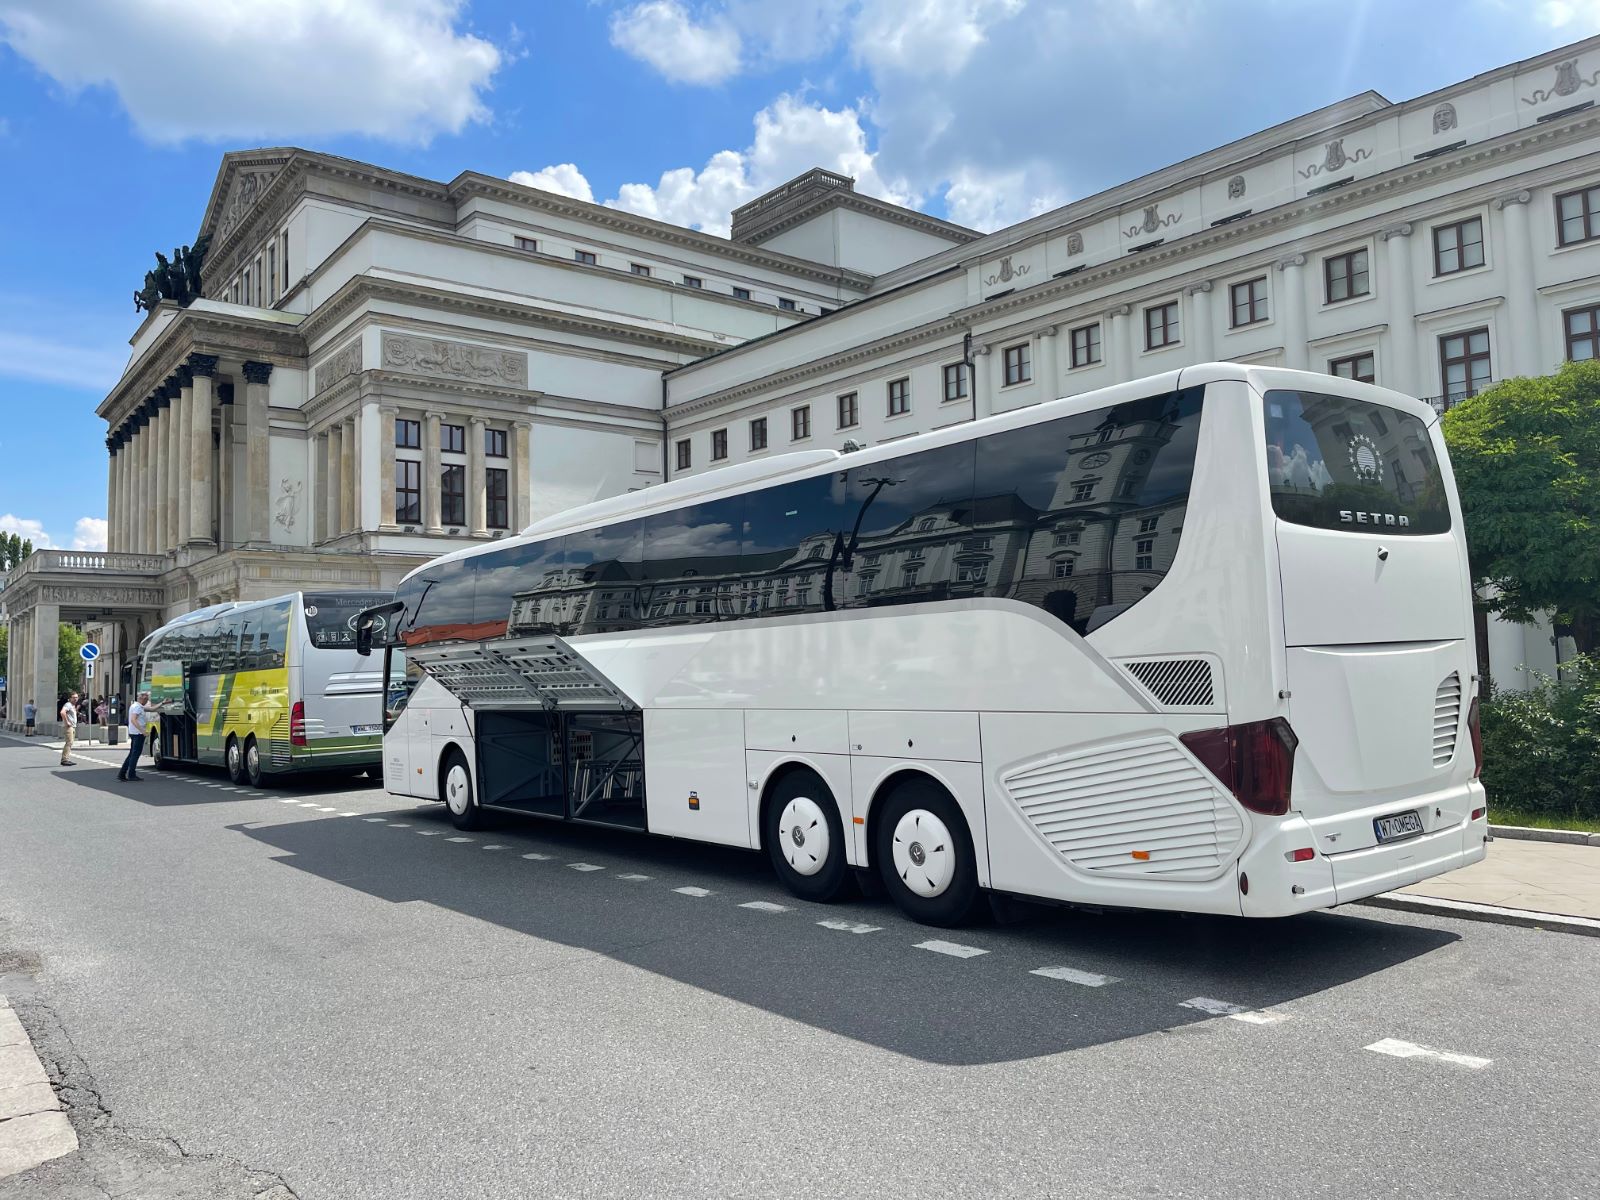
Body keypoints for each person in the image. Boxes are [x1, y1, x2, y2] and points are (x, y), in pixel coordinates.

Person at [119, 690, 149, 782]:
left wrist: (162, 703)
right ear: (142, 698)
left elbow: (151, 709)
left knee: (132, 754)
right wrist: (142, 730)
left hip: (133, 733)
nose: (147, 700)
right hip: (138, 734)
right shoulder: (138, 707)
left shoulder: (135, 705)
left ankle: (122, 773)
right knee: (135, 754)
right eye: (146, 698)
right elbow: (133, 719)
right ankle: (131, 774)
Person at [59, 692, 79, 765]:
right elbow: (62, 712)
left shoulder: (73, 706)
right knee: (69, 742)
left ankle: (66, 758)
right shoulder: (68, 704)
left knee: (70, 742)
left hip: (72, 726)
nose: (75, 699)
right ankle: (64, 760)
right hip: (69, 727)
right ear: (70, 698)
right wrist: (67, 722)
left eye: (76, 697)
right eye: (74, 697)